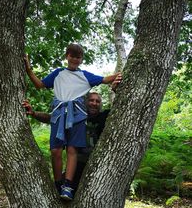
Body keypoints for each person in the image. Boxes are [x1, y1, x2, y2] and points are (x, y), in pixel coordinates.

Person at [25, 43, 122, 200]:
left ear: (81, 59)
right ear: (67, 56)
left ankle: (68, 186)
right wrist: (28, 70)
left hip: (77, 114)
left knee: (72, 150)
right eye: (72, 56)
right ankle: (58, 184)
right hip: (58, 113)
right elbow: (40, 85)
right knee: (56, 151)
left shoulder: (84, 75)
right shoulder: (58, 73)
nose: (75, 59)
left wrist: (120, 75)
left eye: (78, 57)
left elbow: (105, 79)